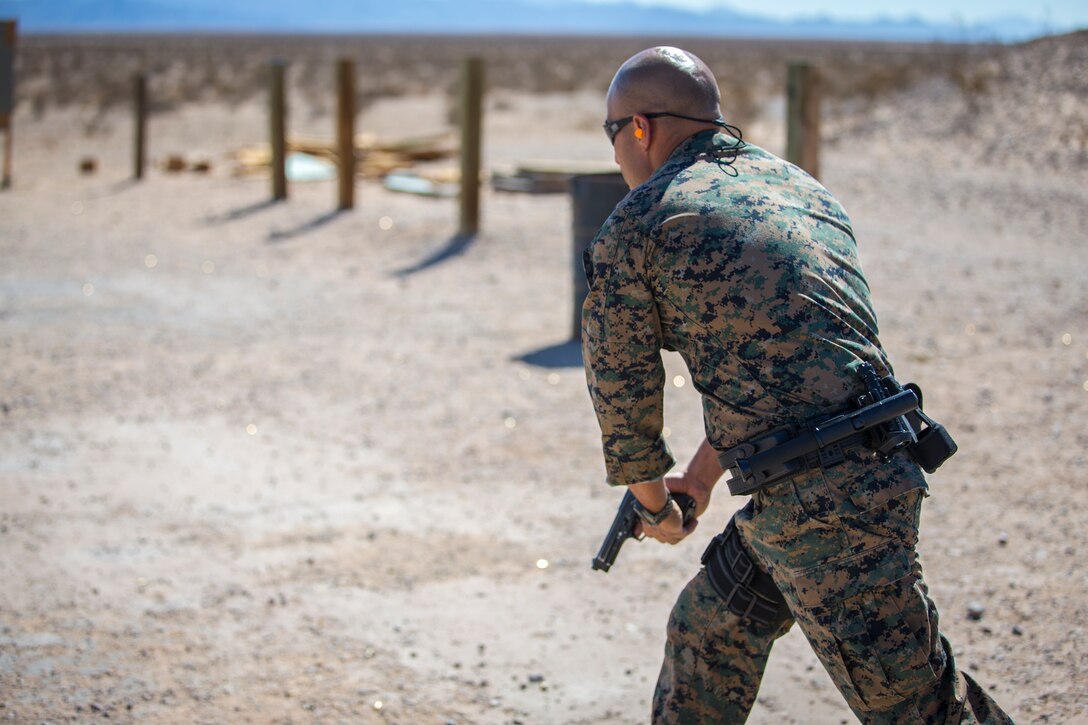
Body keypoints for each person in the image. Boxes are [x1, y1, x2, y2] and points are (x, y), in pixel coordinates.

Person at [581, 46, 1013, 724]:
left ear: (640, 128)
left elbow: (623, 399)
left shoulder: (641, 222)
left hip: (821, 503)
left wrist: (657, 507)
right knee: (709, 634)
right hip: (865, 460)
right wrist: (699, 477)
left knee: (921, 710)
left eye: (612, 134)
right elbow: (780, 365)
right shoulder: (800, 189)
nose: (614, 156)